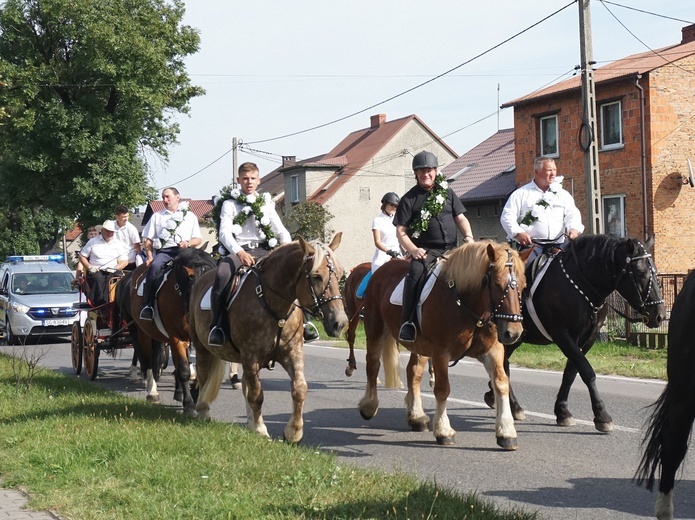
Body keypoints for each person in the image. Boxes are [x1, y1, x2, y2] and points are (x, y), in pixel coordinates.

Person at [207, 162, 292, 347]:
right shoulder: (230, 204)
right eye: (245, 178)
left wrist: (285, 249)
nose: (249, 182)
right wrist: (239, 251)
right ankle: (217, 325)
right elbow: (224, 233)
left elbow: (282, 231)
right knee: (222, 274)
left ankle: (305, 322)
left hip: (265, 250)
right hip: (239, 251)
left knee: (294, 274)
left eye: (253, 178)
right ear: (238, 180)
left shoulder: (266, 204)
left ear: (259, 180)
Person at [394, 151, 475, 343]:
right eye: (421, 171)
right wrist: (413, 250)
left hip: (453, 249)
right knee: (414, 274)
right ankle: (408, 322)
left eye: (429, 170)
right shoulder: (408, 200)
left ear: (436, 171)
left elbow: (460, 218)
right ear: (416, 174)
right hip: (425, 252)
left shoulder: (447, 192)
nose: (426, 174)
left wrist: (469, 238)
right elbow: (401, 231)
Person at [500, 156, 583, 261]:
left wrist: (574, 229)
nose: (553, 174)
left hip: (559, 244)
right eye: (549, 170)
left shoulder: (563, 194)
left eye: (554, 170)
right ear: (537, 172)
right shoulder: (521, 194)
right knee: (524, 268)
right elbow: (507, 217)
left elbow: (573, 214)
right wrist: (518, 233)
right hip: (533, 246)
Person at [139, 187, 202, 321]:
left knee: (203, 269)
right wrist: (150, 256)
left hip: (186, 252)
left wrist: (188, 243)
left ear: (177, 197)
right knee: (155, 267)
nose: (165, 200)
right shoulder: (157, 216)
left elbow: (198, 239)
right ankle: (147, 305)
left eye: (168, 197)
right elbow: (148, 240)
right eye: (163, 197)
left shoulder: (190, 216)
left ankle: (203, 304)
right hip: (166, 252)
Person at [356, 192, 401, 298]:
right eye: (391, 205)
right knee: (377, 277)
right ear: (384, 204)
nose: (393, 208)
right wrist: (388, 251)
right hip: (383, 255)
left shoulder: (397, 220)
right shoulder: (378, 220)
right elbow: (377, 242)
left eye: (395, 206)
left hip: (397, 253)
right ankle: (367, 301)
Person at [78, 220, 129, 305]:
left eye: (112, 232)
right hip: (96, 271)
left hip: (112, 271)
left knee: (121, 280)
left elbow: (125, 261)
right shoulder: (93, 242)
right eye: (108, 231)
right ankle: (100, 303)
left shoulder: (118, 244)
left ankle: (120, 302)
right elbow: (82, 256)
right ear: (102, 231)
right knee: (98, 279)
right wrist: (89, 267)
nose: (110, 233)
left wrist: (116, 268)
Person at [113, 205, 142, 270]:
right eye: (123, 217)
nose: (126, 219)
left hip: (129, 262)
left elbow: (137, 246)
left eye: (127, 216)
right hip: (114, 261)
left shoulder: (132, 229)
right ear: (117, 217)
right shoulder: (111, 226)